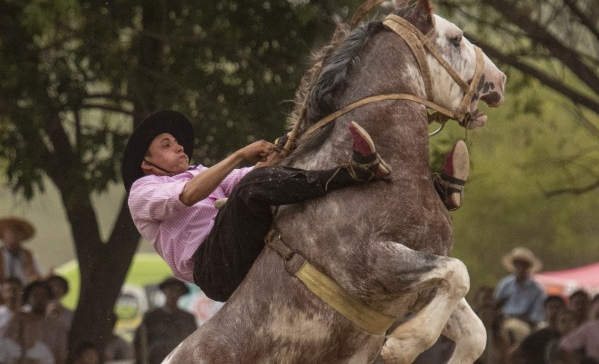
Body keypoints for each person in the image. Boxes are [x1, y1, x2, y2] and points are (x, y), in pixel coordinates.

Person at [123, 110, 469, 304]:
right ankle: (356, 172)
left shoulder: (200, 173)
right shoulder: (143, 192)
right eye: (167, 146)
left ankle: (431, 190)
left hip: (237, 245)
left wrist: (279, 154)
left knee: (282, 179)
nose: (179, 147)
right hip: (214, 268)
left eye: (177, 142)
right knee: (253, 191)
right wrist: (242, 154)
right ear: (148, 165)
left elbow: (251, 176)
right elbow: (189, 196)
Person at [0, 280, 67, 364]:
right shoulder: (18, 320)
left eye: (44, 296)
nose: (40, 299)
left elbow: (61, 357)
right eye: (36, 295)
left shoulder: (57, 326)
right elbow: (4, 345)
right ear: (28, 298)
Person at [133, 277, 198, 364]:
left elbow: (195, 342)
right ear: (164, 292)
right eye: (170, 290)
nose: (174, 294)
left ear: (181, 294)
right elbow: (138, 341)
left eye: (177, 291)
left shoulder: (188, 318)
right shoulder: (151, 316)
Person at [494, 246, 546, 344]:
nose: (521, 268)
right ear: (514, 265)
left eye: (524, 265)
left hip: (526, 323)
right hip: (503, 321)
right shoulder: (505, 285)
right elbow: (496, 304)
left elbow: (537, 315)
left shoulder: (536, 289)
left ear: (529, 267)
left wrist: (522, 321)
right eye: (518, 264)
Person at [0, 217, 41, 284]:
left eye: (17, 231)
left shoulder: (29, 255)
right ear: (4, 234)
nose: (13, 234)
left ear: (23, 236)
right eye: (10, 231)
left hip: (25, 291)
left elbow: (37, 275)